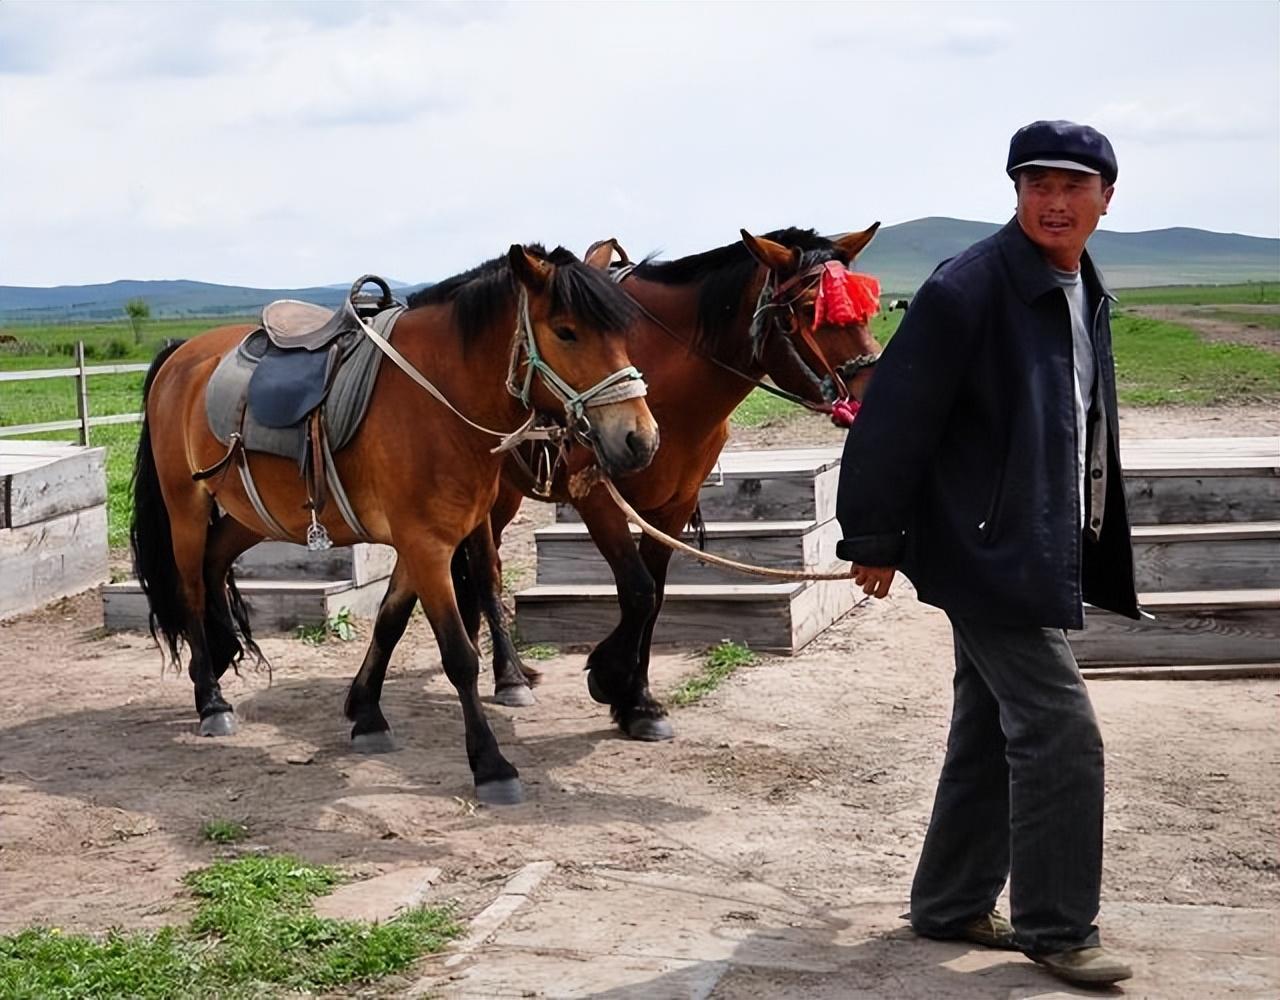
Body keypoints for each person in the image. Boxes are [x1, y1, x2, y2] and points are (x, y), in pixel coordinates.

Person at [834, 120, 1138, 987]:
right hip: (983, 545)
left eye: (1075, 186)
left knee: (989, 723)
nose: (1055, 200)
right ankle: (1058, 928)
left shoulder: (1080, 283)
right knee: (1059, 732)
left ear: (1106, 201)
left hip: (1029, 535)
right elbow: (895, 417)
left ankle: (951, 902)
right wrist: (874, 537)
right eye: (1038, 183)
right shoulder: (968, 287)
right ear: (1015, 193)